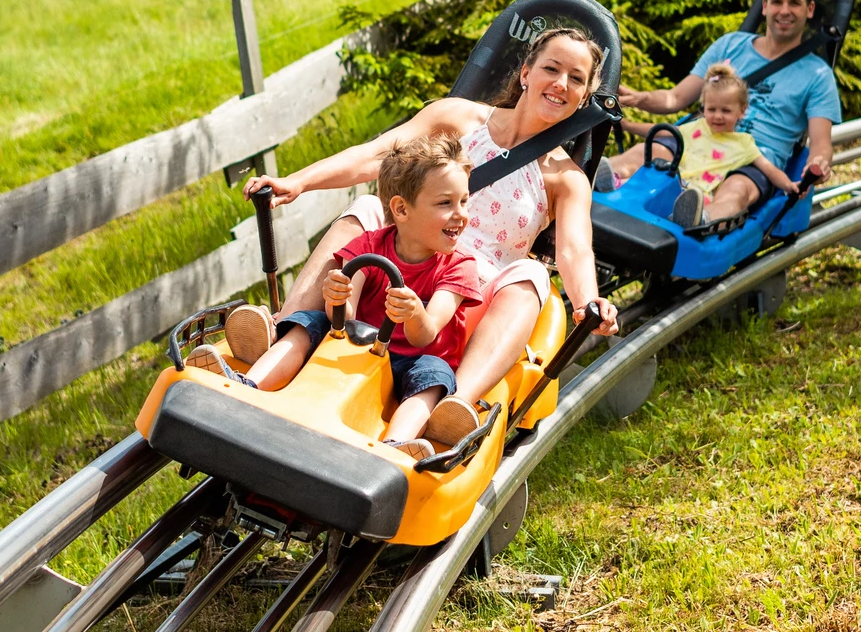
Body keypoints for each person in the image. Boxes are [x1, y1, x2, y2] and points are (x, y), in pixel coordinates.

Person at [227, 25, 621, 449]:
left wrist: (588, 302)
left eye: (576, 79)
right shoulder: (458, 119)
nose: (561, 84)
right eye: (552, 68)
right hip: (400, 257)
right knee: (367, 206)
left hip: (465, 295)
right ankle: (285, 330)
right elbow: (377, 156)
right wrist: (300, 182)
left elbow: (574, 249)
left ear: (584, 98)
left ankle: (450, 407)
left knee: (534, 275)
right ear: (526, 72)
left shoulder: (566, 178)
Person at [190, 136, 485, 457]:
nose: (461, 214)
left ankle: (396, 445)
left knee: (434, 376)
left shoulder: (459, 266)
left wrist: (415, 312)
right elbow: (342, 320)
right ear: (401, 208)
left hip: (414, 362)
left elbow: (424, 335)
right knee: (309, 322)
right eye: (446, 203)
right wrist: (336, 296)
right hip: (363, 352)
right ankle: (247, 385)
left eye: (464, 202)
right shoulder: (369, 245)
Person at [615, 0, 840, 224]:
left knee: (737, 191)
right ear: (765, 6)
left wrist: (819, 163)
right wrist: (640, 98)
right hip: (701, 139)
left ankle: (697, 220)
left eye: (795, 3)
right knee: (646, 154)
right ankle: (602, 182)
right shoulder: (729, 45)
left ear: (809, 10)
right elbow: (675, 99)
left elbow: (821, 142)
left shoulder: (818, 75)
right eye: (777, 1)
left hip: (755, 157)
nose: (785, 10)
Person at [604, 62, 798, 227]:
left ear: (742, 111)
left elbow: (768, 168)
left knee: (695, 205)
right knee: (652, 178)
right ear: (703, 108)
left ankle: (697, 221)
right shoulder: (698, 127)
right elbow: (663, 131)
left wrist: (790, 186)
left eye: (726, 110)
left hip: (698, 196)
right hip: (674, 183)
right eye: (712, 109)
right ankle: (610, 183)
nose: (718, 116)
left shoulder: (744, 143)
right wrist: (627, 125)